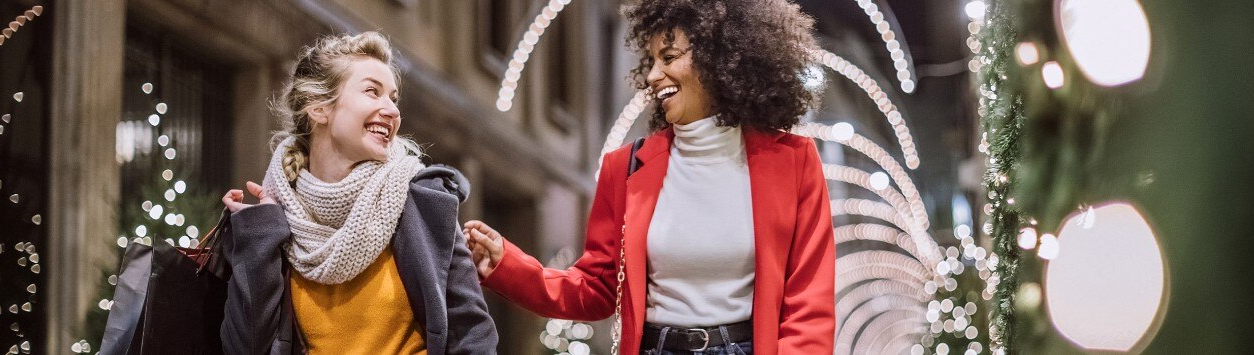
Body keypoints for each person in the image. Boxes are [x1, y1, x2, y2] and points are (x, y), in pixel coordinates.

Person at [463, 1, 835, 354]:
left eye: (669, 58)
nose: (654, 76)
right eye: (652, 60)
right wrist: (505, 264)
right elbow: (596, 288)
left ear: (719, 60)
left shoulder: (794, 162)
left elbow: (809, 307)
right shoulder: (624, 167)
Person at [218, 31, 497, 354]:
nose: (392, 111)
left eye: (393, 98)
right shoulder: (277, 214)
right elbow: (243, 348)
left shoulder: (424, 200)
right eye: (372, 92)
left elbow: (473, 336)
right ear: (319, 109)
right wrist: (260, 235)